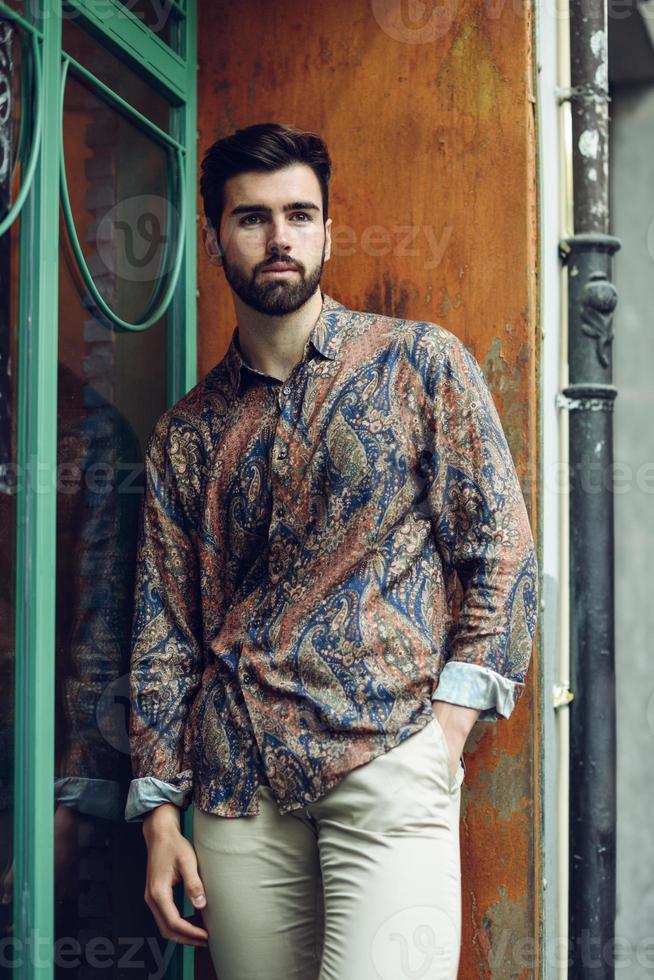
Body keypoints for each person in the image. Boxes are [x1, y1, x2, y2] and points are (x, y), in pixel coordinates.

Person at [124, 122, 539, 980]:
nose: (280, 238)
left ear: (326, 231)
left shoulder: (416, 364)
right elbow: (164, 629)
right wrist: (161, 813)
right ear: (216, 238)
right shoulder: (186, 435)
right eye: (253, 218)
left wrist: (448, 733)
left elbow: (502, 550)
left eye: (300, 215)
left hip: (386, 759)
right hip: (238, 791)